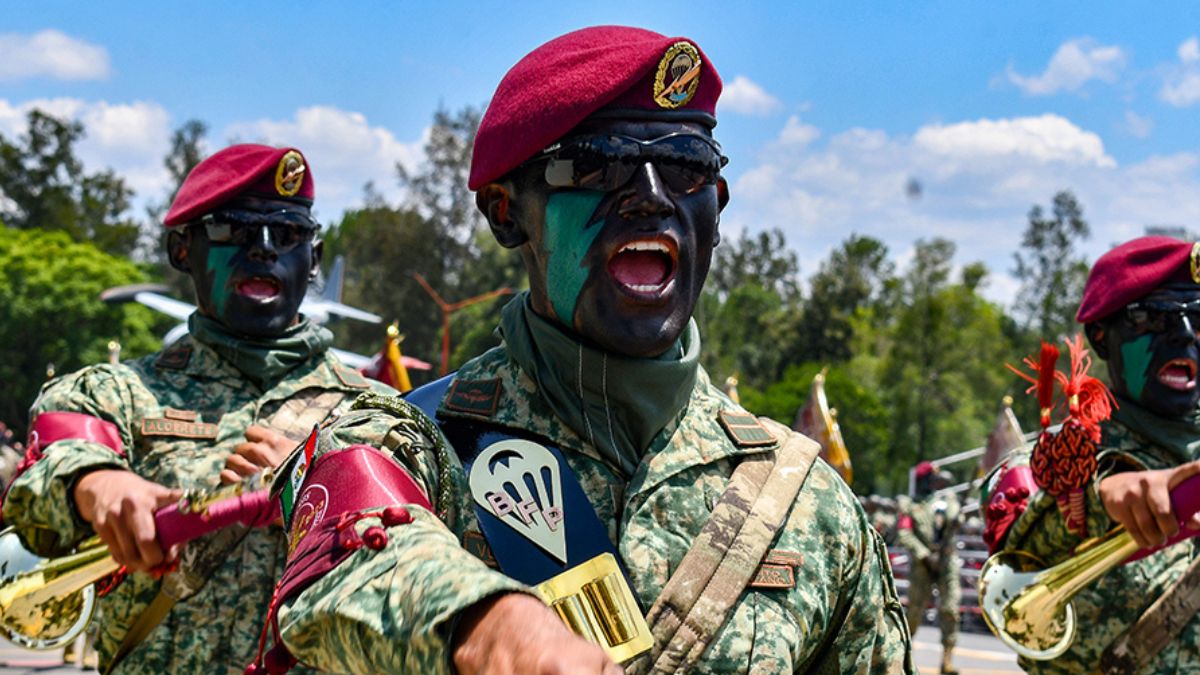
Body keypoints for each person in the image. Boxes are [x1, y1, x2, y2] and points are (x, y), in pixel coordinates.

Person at [261, 26, 912, 674]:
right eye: (600, 164)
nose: (653, 197)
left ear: (715, 205)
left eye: (686, 166)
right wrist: (483, 620)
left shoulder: (809, 505)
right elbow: (343, 551)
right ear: (507, 212)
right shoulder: (411, 440)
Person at [1, 144, 392, 673]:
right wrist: (103, 487)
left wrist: (320, 490)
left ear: (314, 259)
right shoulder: (111, 392)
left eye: (289, 235)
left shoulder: (381, 415)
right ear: (182, 249)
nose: (263, 250)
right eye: (233, 231)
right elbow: (46, 479)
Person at [983, 235, 1200, 672]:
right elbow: (1014, 554)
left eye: (1199, 317)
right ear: (1101, 337)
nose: (1187, 335)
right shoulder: (1049, 463)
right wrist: (1099, 498)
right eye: (1158, 318)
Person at [897, 461, 961, 674]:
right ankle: (901, 657)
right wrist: (924, 555)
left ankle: (947, 661)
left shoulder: (946, 501)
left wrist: (952, 507)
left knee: (950, 608)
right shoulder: (909, 505)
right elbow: (904, 534)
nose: (935, 482)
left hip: (946, 561)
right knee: (914, 611)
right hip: (922, 564)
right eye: (931, 478)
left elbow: (955, 517)